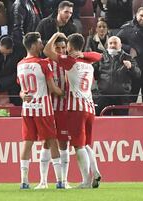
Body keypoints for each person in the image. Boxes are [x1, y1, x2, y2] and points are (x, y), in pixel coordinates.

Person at [44, 32, 102, 189]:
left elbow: (47, 51)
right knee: (87, 144)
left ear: (70, 46)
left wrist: (55, 34)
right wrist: (83, 53)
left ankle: (85, 181)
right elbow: (99, 56)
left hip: (76, 108)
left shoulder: (70, 62)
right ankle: (95, 172)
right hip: (90, 107)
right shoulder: (88, 63)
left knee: (78, 145)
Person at [17, 32, 64, 189]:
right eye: (39, 43)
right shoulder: (43, 64)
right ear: (32, 45)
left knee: (27, 143)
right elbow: (52, 88)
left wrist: (23, 95)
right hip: (43, 109)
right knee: (52, 141)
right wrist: (63, 92)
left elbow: (21, 90)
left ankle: (24, 181)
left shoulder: (20, 64)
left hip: (27, 109)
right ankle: (60, 181)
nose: (42, 45)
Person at [33, 36, 72, 189]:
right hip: (48, 109)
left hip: (64, 109)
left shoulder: (68, 63)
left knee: (63, 143)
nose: (61, 51)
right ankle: (43, 181)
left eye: (63, 48)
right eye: (58, 48)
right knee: (46, 143)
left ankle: (64, 180)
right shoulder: (45, 64)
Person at [117, 6, 143, 103]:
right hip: (133, 69)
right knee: (131, 99)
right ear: (136, 15)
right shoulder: (127, 28)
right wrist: (129, 49)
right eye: (141, 16)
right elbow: (115, 42)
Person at [94, 36, 141, 115]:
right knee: (103, 124)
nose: (112, 45)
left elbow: (138, 74)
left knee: (121, 124)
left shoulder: (128, 57)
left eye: (115, 43)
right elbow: (96, 76)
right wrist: (93, 67)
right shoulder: (100, 58)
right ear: (107, 45)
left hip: (122, 97)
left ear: (120, 45)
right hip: (103, 96)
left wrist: (131, 67)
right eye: (110, 43)